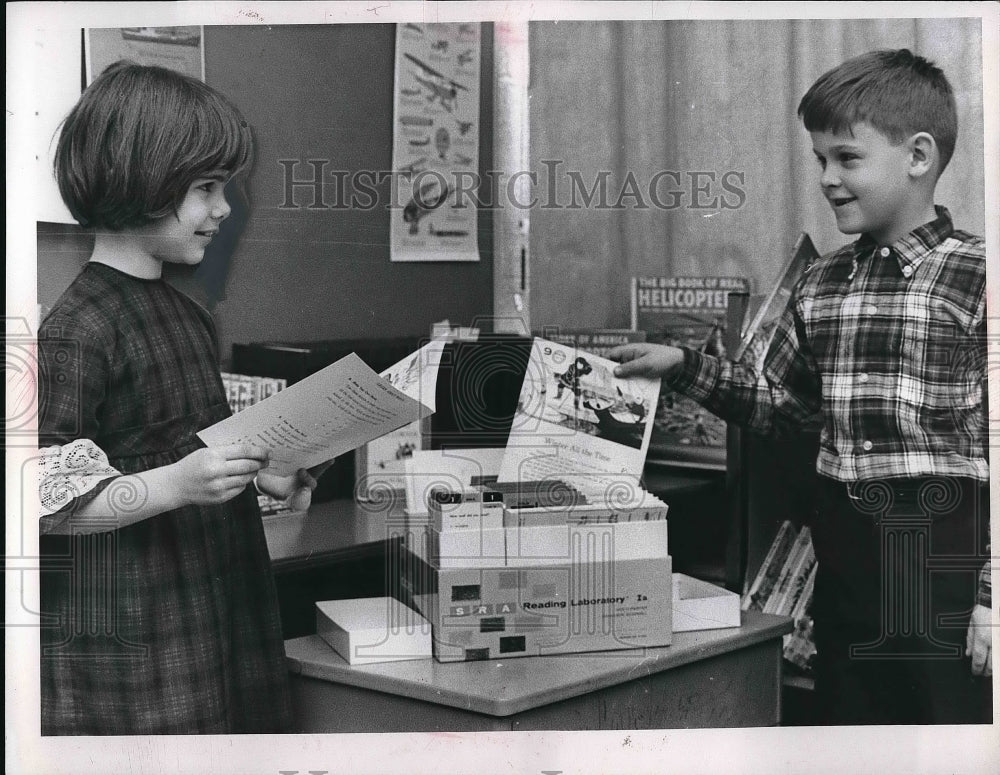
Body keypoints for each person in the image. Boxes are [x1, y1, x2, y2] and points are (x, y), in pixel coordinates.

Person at [609, 49, 991, 725]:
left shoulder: (977, 275)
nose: (827, 179)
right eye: (819, 160)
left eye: (846, 158)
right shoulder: (821, 282)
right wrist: (684, 365)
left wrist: (993, 597)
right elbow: (782, 407)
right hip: (845, 549)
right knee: (850, 725)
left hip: (944, 550)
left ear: (919, 155)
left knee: (945, 730)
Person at [37, 61, 329, 734]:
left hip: (217, 607)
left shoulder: (188, 314)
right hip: (135, 643)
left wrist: (267, 476)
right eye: (206, 188)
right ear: (142, 181)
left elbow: (196, 458)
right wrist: (175, 482)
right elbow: (40, 502)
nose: (223, 208)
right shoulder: (78, 326)